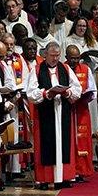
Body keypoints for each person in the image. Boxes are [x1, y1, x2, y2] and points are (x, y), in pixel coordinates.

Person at [27, 42, 82, 188]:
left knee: (64, 143)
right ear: (45, 55)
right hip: (46, 112)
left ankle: (64, 178)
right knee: (46, 144)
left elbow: (77, 88)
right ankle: (45, 179)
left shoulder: (65, 68)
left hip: (62, 110)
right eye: (52, 56)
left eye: (57, 56)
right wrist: (46, 93)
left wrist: (68, 92)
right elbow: (31, 93)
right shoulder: (37, 70)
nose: (55, 59)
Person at [65, 46, 96, 181]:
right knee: (68, 140)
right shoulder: (61, 68)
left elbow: (93, 90)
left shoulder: (85, 69)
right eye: (72, 58)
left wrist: (86, 96)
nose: (75, 61)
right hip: (66, 109)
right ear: (66, 57)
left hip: (81, 111)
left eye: (77, 58)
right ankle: (69, 171)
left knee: (82, 140)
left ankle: (82, 170)